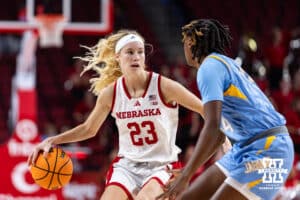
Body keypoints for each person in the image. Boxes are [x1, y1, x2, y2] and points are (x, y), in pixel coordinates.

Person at [27, 29, 206, 200]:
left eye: (140, 52)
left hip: (161, 165)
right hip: (127, 167)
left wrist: (225, 137)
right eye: (130, 52)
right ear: (118, 57)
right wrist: (51, 140)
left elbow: (205, 109)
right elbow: (88, 129)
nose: (136, 56)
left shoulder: (163, 86)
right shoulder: (111, 93)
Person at [158, 19, 294, 200]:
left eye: (184, 42)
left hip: (268, 149)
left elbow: (212, 126)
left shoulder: (208, 68)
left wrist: (186, 175)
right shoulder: (224, 63)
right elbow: (219, 134)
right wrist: (187, 173)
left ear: (191, 43)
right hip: (245, 149)